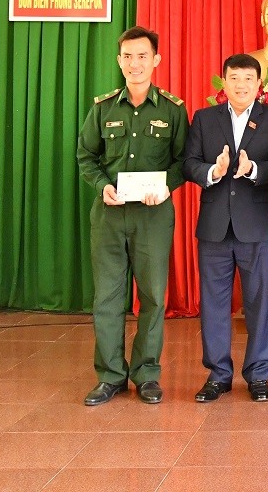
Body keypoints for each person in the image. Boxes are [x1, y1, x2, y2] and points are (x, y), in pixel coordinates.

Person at [76, 26, 188, 406]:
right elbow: (86, 156)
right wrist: (101, 185)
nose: (134, 63)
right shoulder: (103, 107)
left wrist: (168, 185)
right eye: (128, 56)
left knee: (153, 296)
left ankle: (147, 374)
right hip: (109, 215)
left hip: (153, 217)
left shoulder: (172, 109)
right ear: (119, 60)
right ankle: (110, 376)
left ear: (156, 60)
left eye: (142, 56)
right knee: (107, 298)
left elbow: (183, 160)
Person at [182, 53, 268, 403]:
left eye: (248, 78)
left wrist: (253, 169)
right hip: (214, 226)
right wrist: (213, 172)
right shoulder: (204, 118)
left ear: (258, 83)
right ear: (224, 82)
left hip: (257, 226)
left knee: (260, 303)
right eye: (234, 78)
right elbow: (189, 163)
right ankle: (218, 375)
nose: (241, 85)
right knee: (214, 304)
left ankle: (259, 375)